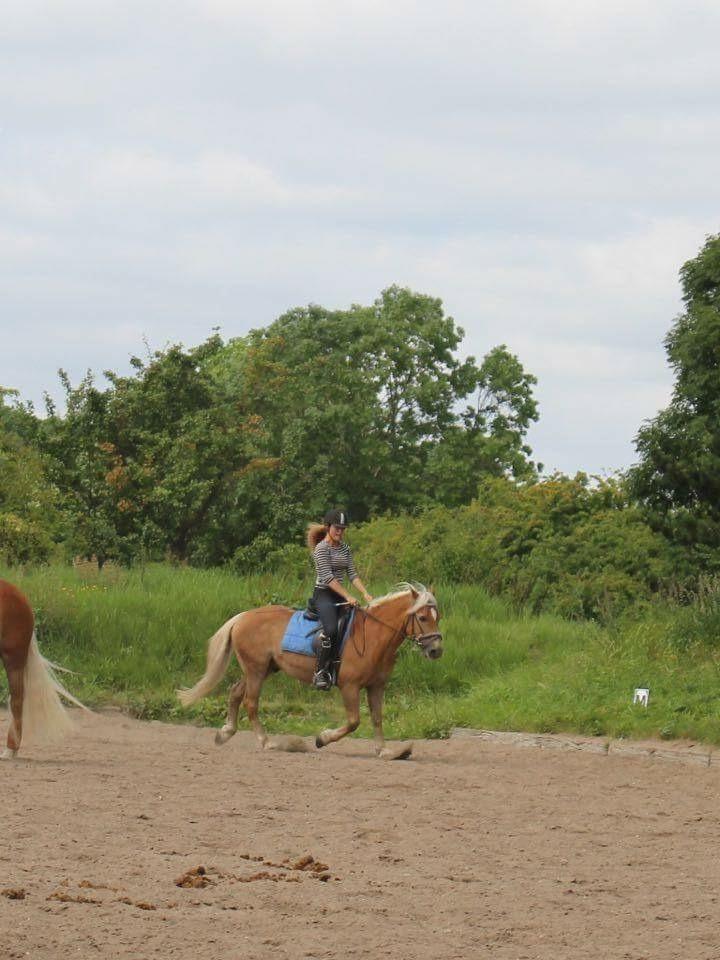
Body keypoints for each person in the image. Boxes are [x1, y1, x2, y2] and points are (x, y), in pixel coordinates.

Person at [306, 508, 373, 690]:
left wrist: (365, 593)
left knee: (357, 624)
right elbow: (328, 578)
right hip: (324, 594)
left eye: (343, 529)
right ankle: (320, 672)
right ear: (328, 527)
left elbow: (352, 574)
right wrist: (349, 596)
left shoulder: (345, 548)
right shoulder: (321, 549)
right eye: (337, 528)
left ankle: (344, 666)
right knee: (331, 628)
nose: (340, 532)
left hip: (341, 594)